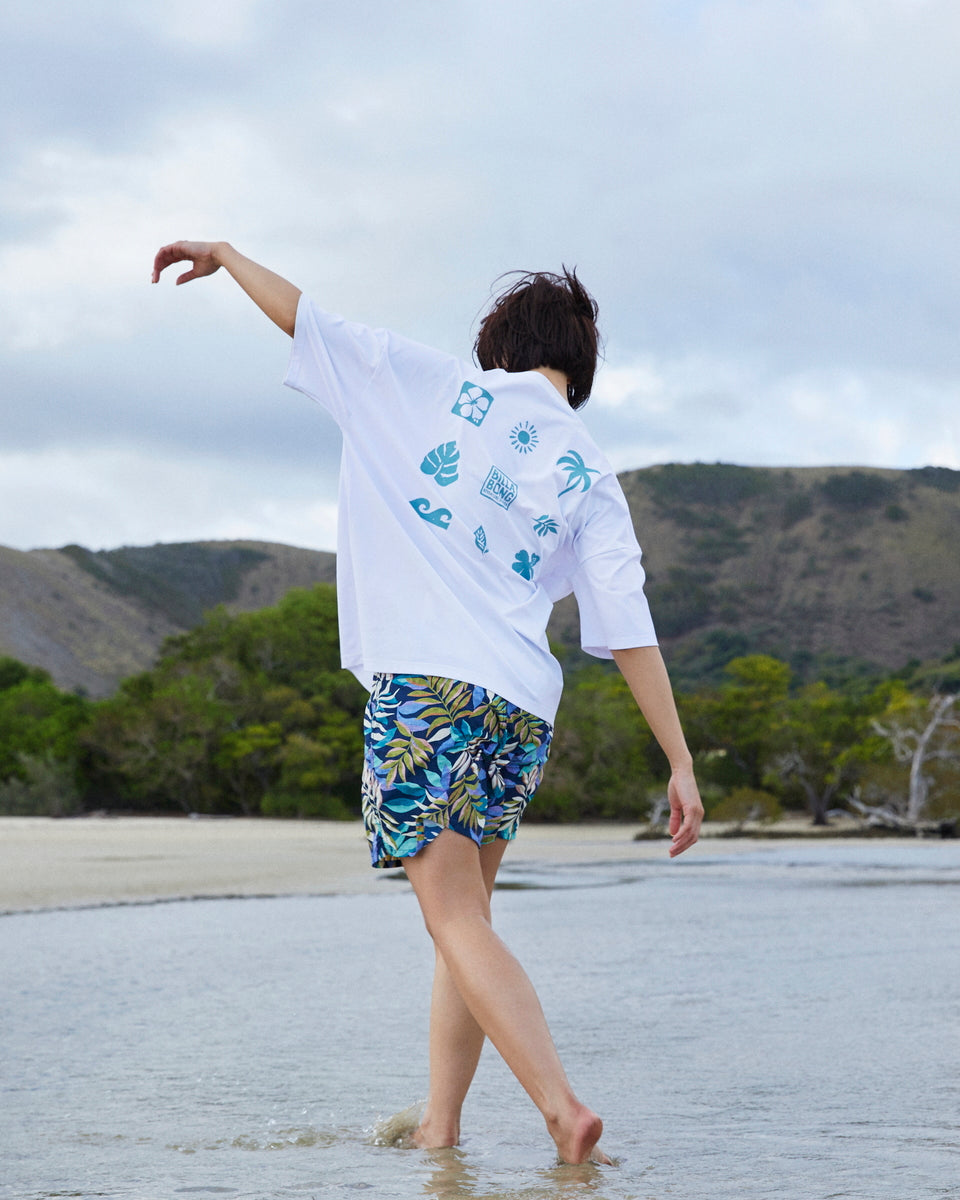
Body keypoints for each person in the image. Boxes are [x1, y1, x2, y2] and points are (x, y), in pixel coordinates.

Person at [151, 240, 704, 1165]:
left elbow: (303, 316)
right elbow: (629, 625)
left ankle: (562, 1110)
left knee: (451, 918)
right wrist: (679, 761)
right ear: (579, 369)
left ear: (500, 346)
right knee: (467, 920)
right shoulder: (591, 470)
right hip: (519, 710)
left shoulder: (433, 385)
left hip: (426, 691)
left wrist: (226, 254)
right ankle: (441, 1129)